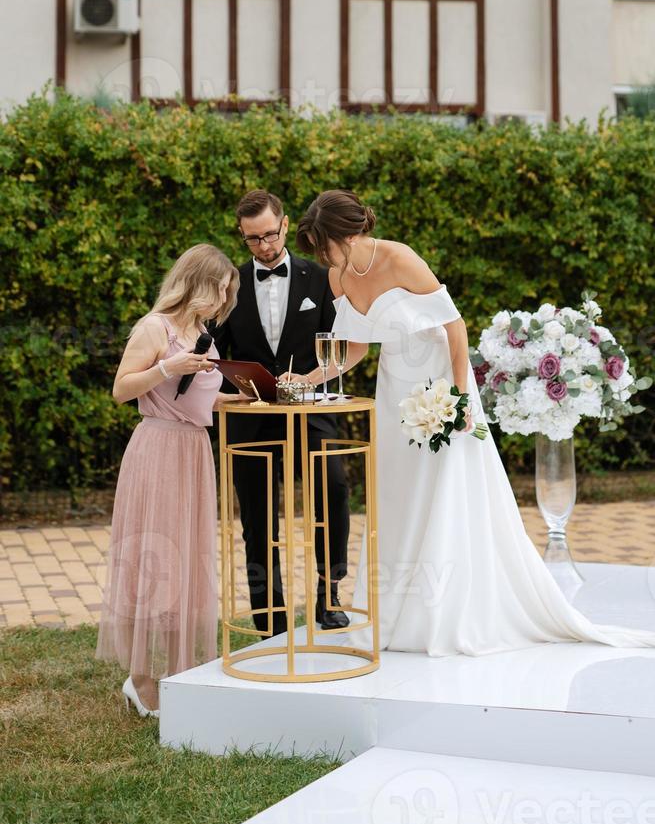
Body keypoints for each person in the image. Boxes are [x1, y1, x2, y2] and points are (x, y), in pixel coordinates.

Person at [296, 190, 655, 656]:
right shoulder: (338, 276)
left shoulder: (399, 258)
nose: (323, 256)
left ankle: (447, 614)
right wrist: (305, 381)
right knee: (398, 497)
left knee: (446, 493)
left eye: (325, 244)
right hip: (393, 396)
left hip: (440, 384)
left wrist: (461, 395)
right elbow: (357, 348)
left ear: (348, 232)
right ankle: (399, 613)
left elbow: (453, 325)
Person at [96, 244, 245, 717]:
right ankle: (140, 682)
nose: (223, 299)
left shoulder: (202, 332)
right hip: (157, 451)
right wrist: (167, 366)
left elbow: (192, 397)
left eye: (227, 292)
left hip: (192, 451)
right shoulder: (153, 327)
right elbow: (123, 389)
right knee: (152, 560)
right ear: (195, 281)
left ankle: (182, 674)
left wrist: (234, 399)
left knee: (185, 559)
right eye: (219, 288)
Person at [209, 190, 358, 637]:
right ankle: (268, 616)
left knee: (333, 490)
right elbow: (214, 355)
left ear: (287, 225)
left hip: (312, 412)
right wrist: (229, 388)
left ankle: (328, 595)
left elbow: (346, 345)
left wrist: (310, 379)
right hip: (250, 418)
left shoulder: (321, 278)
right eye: (252, 240)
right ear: (242, 236)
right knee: (256, 516)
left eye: (270, 235)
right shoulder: (230, 285)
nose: (264, 247)